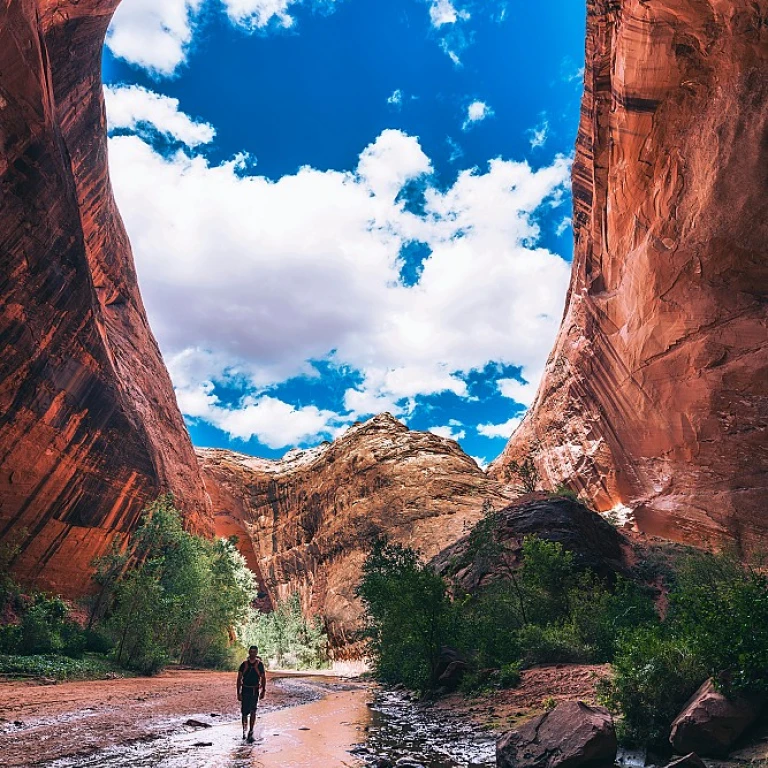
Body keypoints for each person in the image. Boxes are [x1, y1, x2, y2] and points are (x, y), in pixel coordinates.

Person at [237, 645, 266, 742]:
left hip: (255, 691)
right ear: (249, 652)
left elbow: (263, 678)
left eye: (254, 652)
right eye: (251, 651)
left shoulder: (259, 665)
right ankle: (244, 731)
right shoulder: (244, 664)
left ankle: (251, 730)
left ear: (256, 653)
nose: (252, 653)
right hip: (245, 690)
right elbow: (239, 679)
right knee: (244, 713)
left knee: (253, 711)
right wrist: (238, 692)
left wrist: (263, 690)